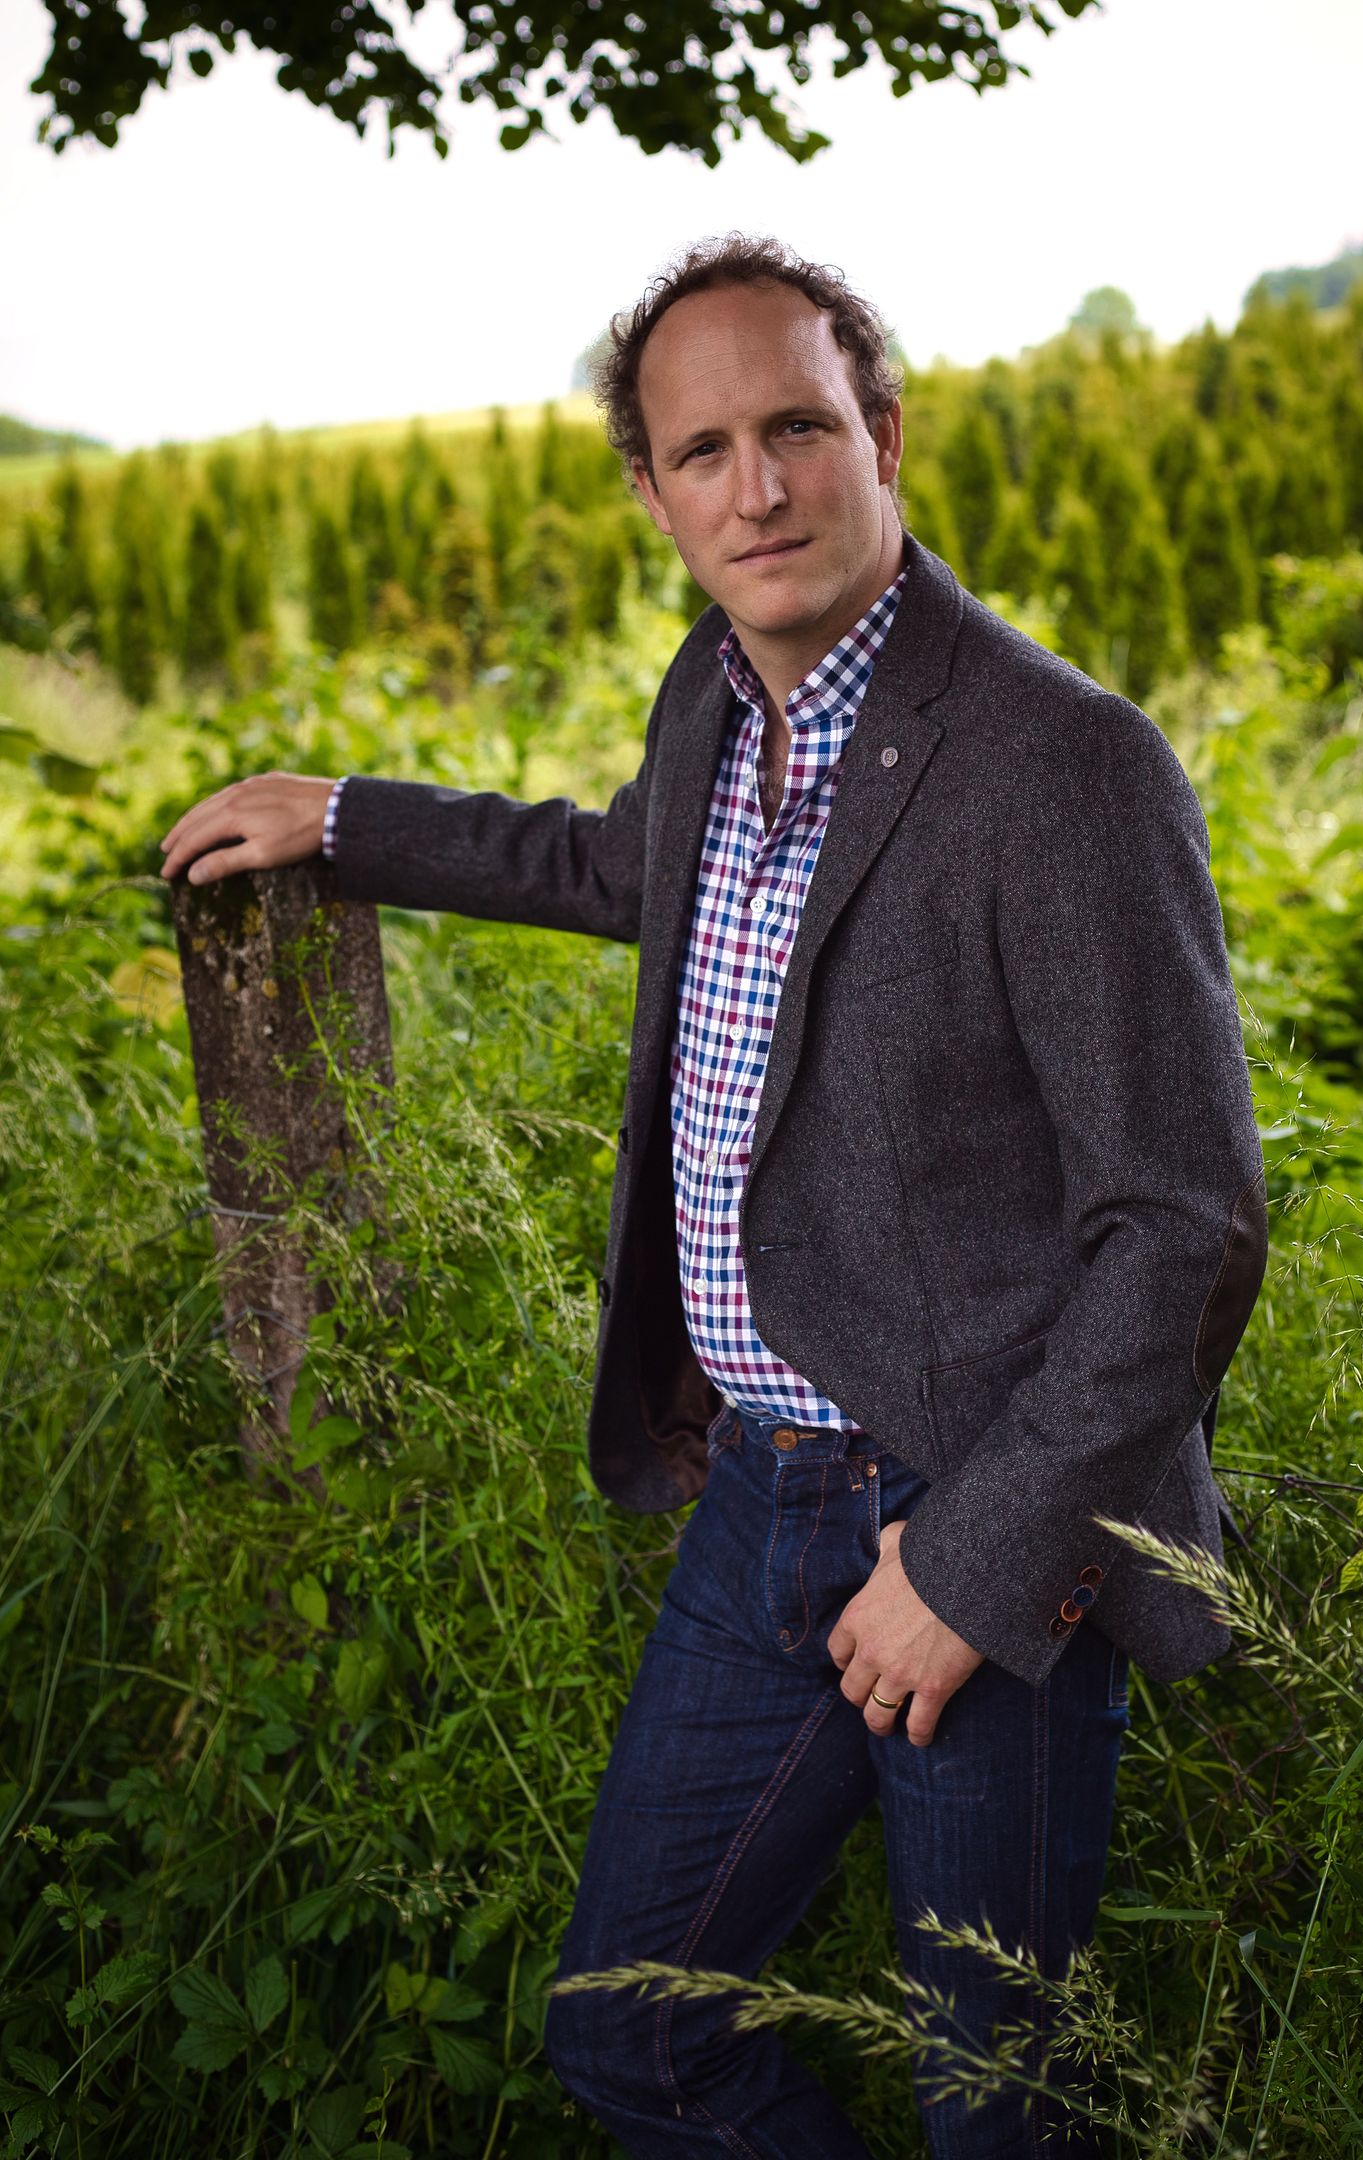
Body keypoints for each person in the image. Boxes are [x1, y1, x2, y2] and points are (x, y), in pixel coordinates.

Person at [160, 233, 1268, 2157]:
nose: (756, 489)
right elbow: (629, 868)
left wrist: (977, 1564)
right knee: (634, 2035)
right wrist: (346, 820)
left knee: (1002, 2111)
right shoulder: (719, 699)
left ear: (882, 436)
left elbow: (1185, 1230)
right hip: (762, 1493)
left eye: (797, 430)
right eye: (703, 451)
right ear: (652, 492)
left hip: (976, 1502)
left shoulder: (1064, 765)